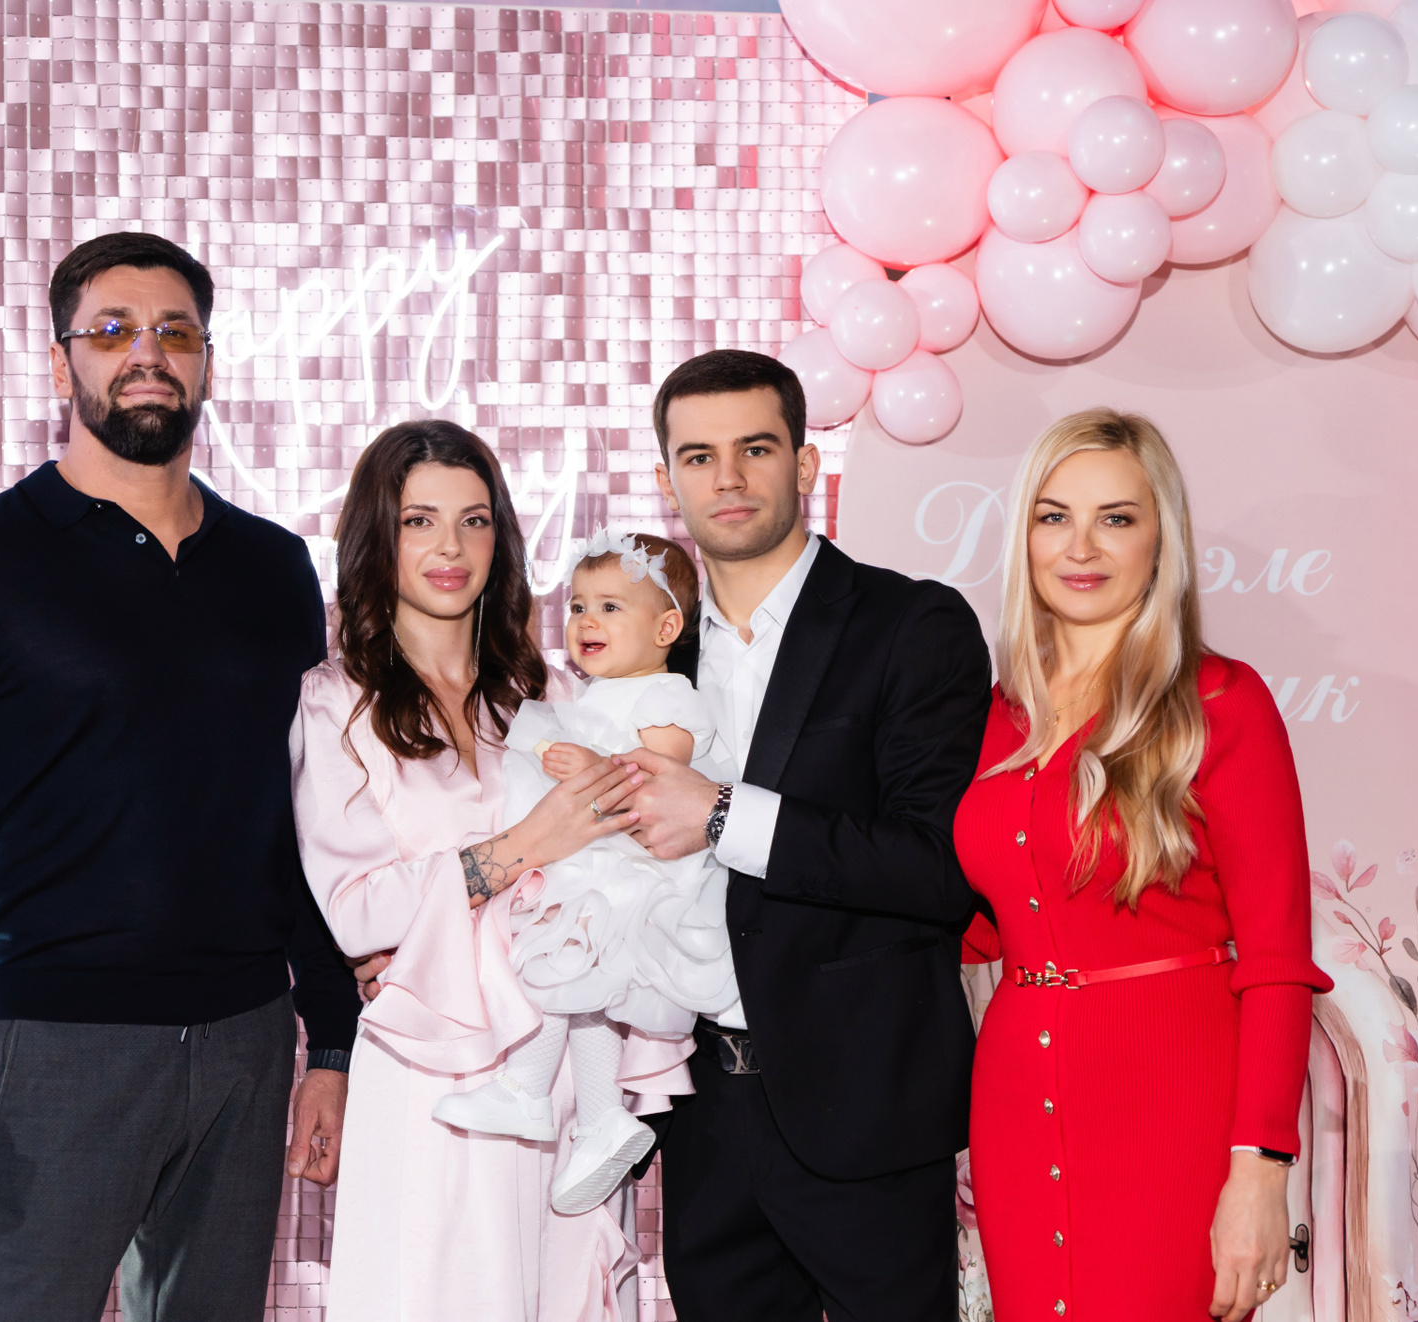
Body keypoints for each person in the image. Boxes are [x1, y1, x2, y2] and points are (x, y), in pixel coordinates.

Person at [0, 231, 360, 1322]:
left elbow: (301, 824)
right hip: (57, 1047)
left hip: (249, 1041)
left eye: (176, 331)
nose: (147, 353)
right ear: (59, 360)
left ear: (207, 361)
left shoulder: (272, 567)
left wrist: (330, 1039)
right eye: (113, 329)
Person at [612, 349, 994, 1319]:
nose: (727, 478)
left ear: (806, 462)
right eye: (698, 457)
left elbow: (939, 869)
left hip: (865, 1112)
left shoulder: (912, 624)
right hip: (703, 1118)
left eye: (755, 448)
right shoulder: (648, 655)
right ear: (665, 482)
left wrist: (723, 814)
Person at [290, 420, 689, 1321]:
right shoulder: (335, 701)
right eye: (419, 520)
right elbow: (357, 914)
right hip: (433, 1066)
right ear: (377, 536)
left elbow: (631, 858)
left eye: (474, 521)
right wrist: (527, 845)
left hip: (565, 1061)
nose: (451, 547)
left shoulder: (552, 694)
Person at [953, 409, 1332, 1322]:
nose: (1081, 546)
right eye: (1054, 517)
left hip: (1171, 1102)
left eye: (1116, 518)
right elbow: (988, 919)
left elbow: (1277, 959)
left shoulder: (1220, 703)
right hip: (1016, 1095)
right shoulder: (993, 716)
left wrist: (1260, 1170)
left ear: (1162, 538)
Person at [433, 527, 739, 1215]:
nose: (586, 622)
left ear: (666, 628)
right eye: (577, 607)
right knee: (582, 991)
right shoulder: (590, 696)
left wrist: (594, 766)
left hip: (639, 876)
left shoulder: (668, 697)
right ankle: (601, 1119)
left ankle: (528, 1090)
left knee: (558, 970)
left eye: (609, 607)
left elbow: (662, 783)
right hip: (598, 865)